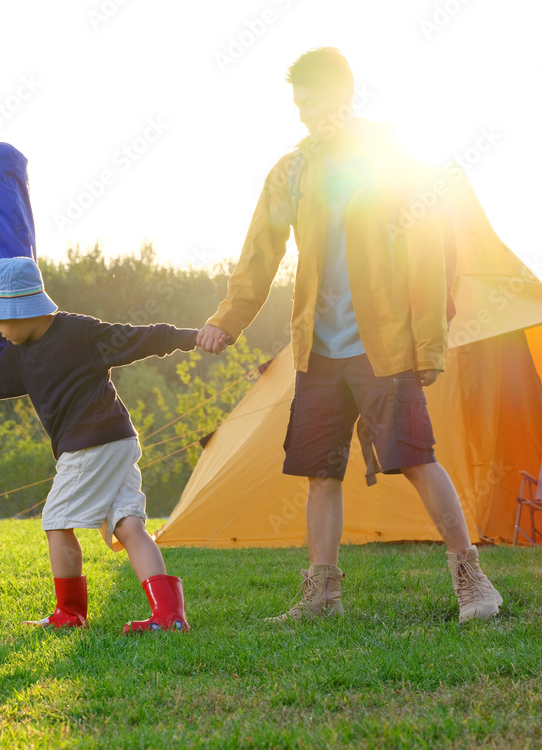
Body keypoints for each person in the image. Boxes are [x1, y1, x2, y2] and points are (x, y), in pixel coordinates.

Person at [197, 47, 502, 624]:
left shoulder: (391, 162)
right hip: (319, 350)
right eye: (297, 103)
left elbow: (429, 256)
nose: (303, 112)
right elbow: (259, 253)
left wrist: (428, 343)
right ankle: (322, 596)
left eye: (309, 100)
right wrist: (227, 319)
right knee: (320, 470)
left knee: (415, 459)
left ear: (340, 93)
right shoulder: (293, 170)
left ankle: (472, 581)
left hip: (383, 345)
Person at [0, 257, 193, 633]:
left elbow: (142, 337)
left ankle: (70, 614)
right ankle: (169, 615)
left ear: (22, 309)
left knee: (56, 522)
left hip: (90, 444)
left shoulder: (81, 332)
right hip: (118, 440)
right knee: (128, 525)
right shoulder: (19, 354)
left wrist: (192, 337)